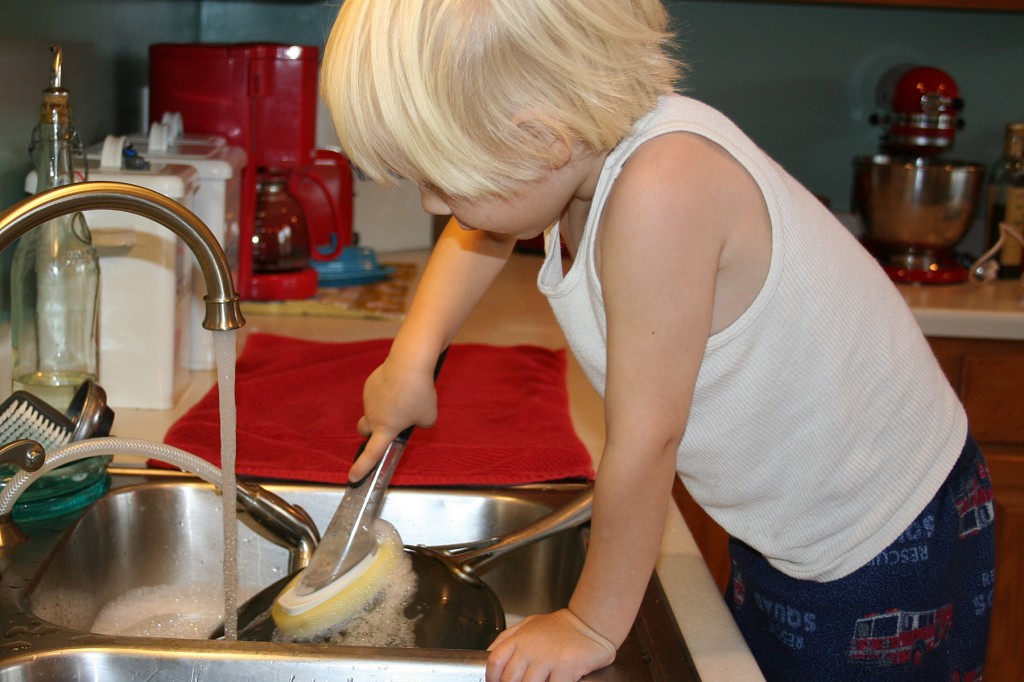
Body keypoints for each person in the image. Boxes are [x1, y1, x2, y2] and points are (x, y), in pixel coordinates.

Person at [320, 1, 995, 680]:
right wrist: (412, 357)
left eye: (440, 178)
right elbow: (482, 230)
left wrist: (590, 622)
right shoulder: (573, 161)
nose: (435, 205)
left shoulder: (661, 191)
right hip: (792, 525)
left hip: (883, 534)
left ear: (541, 138)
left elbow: (647, 441)